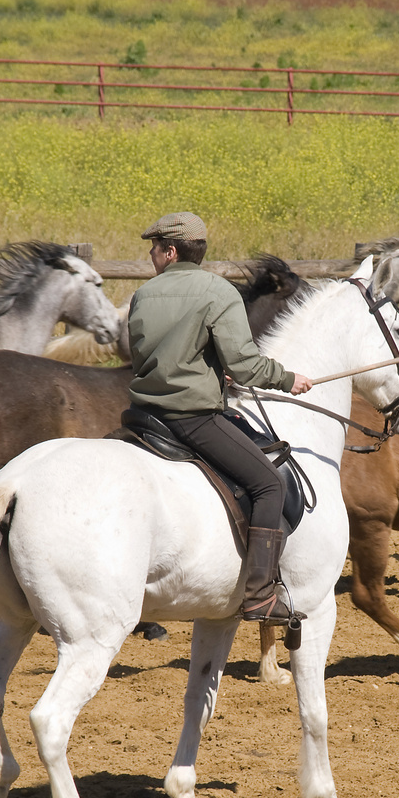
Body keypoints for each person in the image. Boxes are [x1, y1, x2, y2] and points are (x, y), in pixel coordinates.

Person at [125, 212, 314, 624]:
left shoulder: (143, 295)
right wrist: (287, 379)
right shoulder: (218, 292)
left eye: (154, 247)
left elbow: (146, 358)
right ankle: (261, 594)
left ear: (170, 251)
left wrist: (207, 367)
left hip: (142, 416)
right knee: (267, 484)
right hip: (191, 419)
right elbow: (246, 366)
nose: (151, 254)